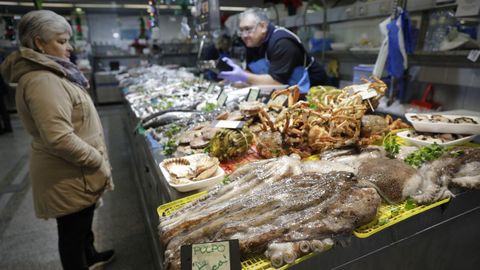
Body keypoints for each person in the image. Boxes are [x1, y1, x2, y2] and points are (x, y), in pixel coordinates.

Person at [1, 10, 114, 270]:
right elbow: (59, 138)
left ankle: (92, 255)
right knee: (72, 233)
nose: (70, 47)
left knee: (83, 222)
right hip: (69, 173)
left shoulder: (51, 70)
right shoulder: (42, 80)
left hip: (77, 172)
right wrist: (96, 159)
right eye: (62, 41)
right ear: (39, 43)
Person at [218, 7, 328, 94]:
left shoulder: (282, 42)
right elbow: (252, 73)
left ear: (263, 26)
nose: (244, 35)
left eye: (248, 29)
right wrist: (233, 76)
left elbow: (277, 81)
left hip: (311, 90)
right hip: (282, 91)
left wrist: (243, 76)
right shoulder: (253, 42)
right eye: (241, 30)